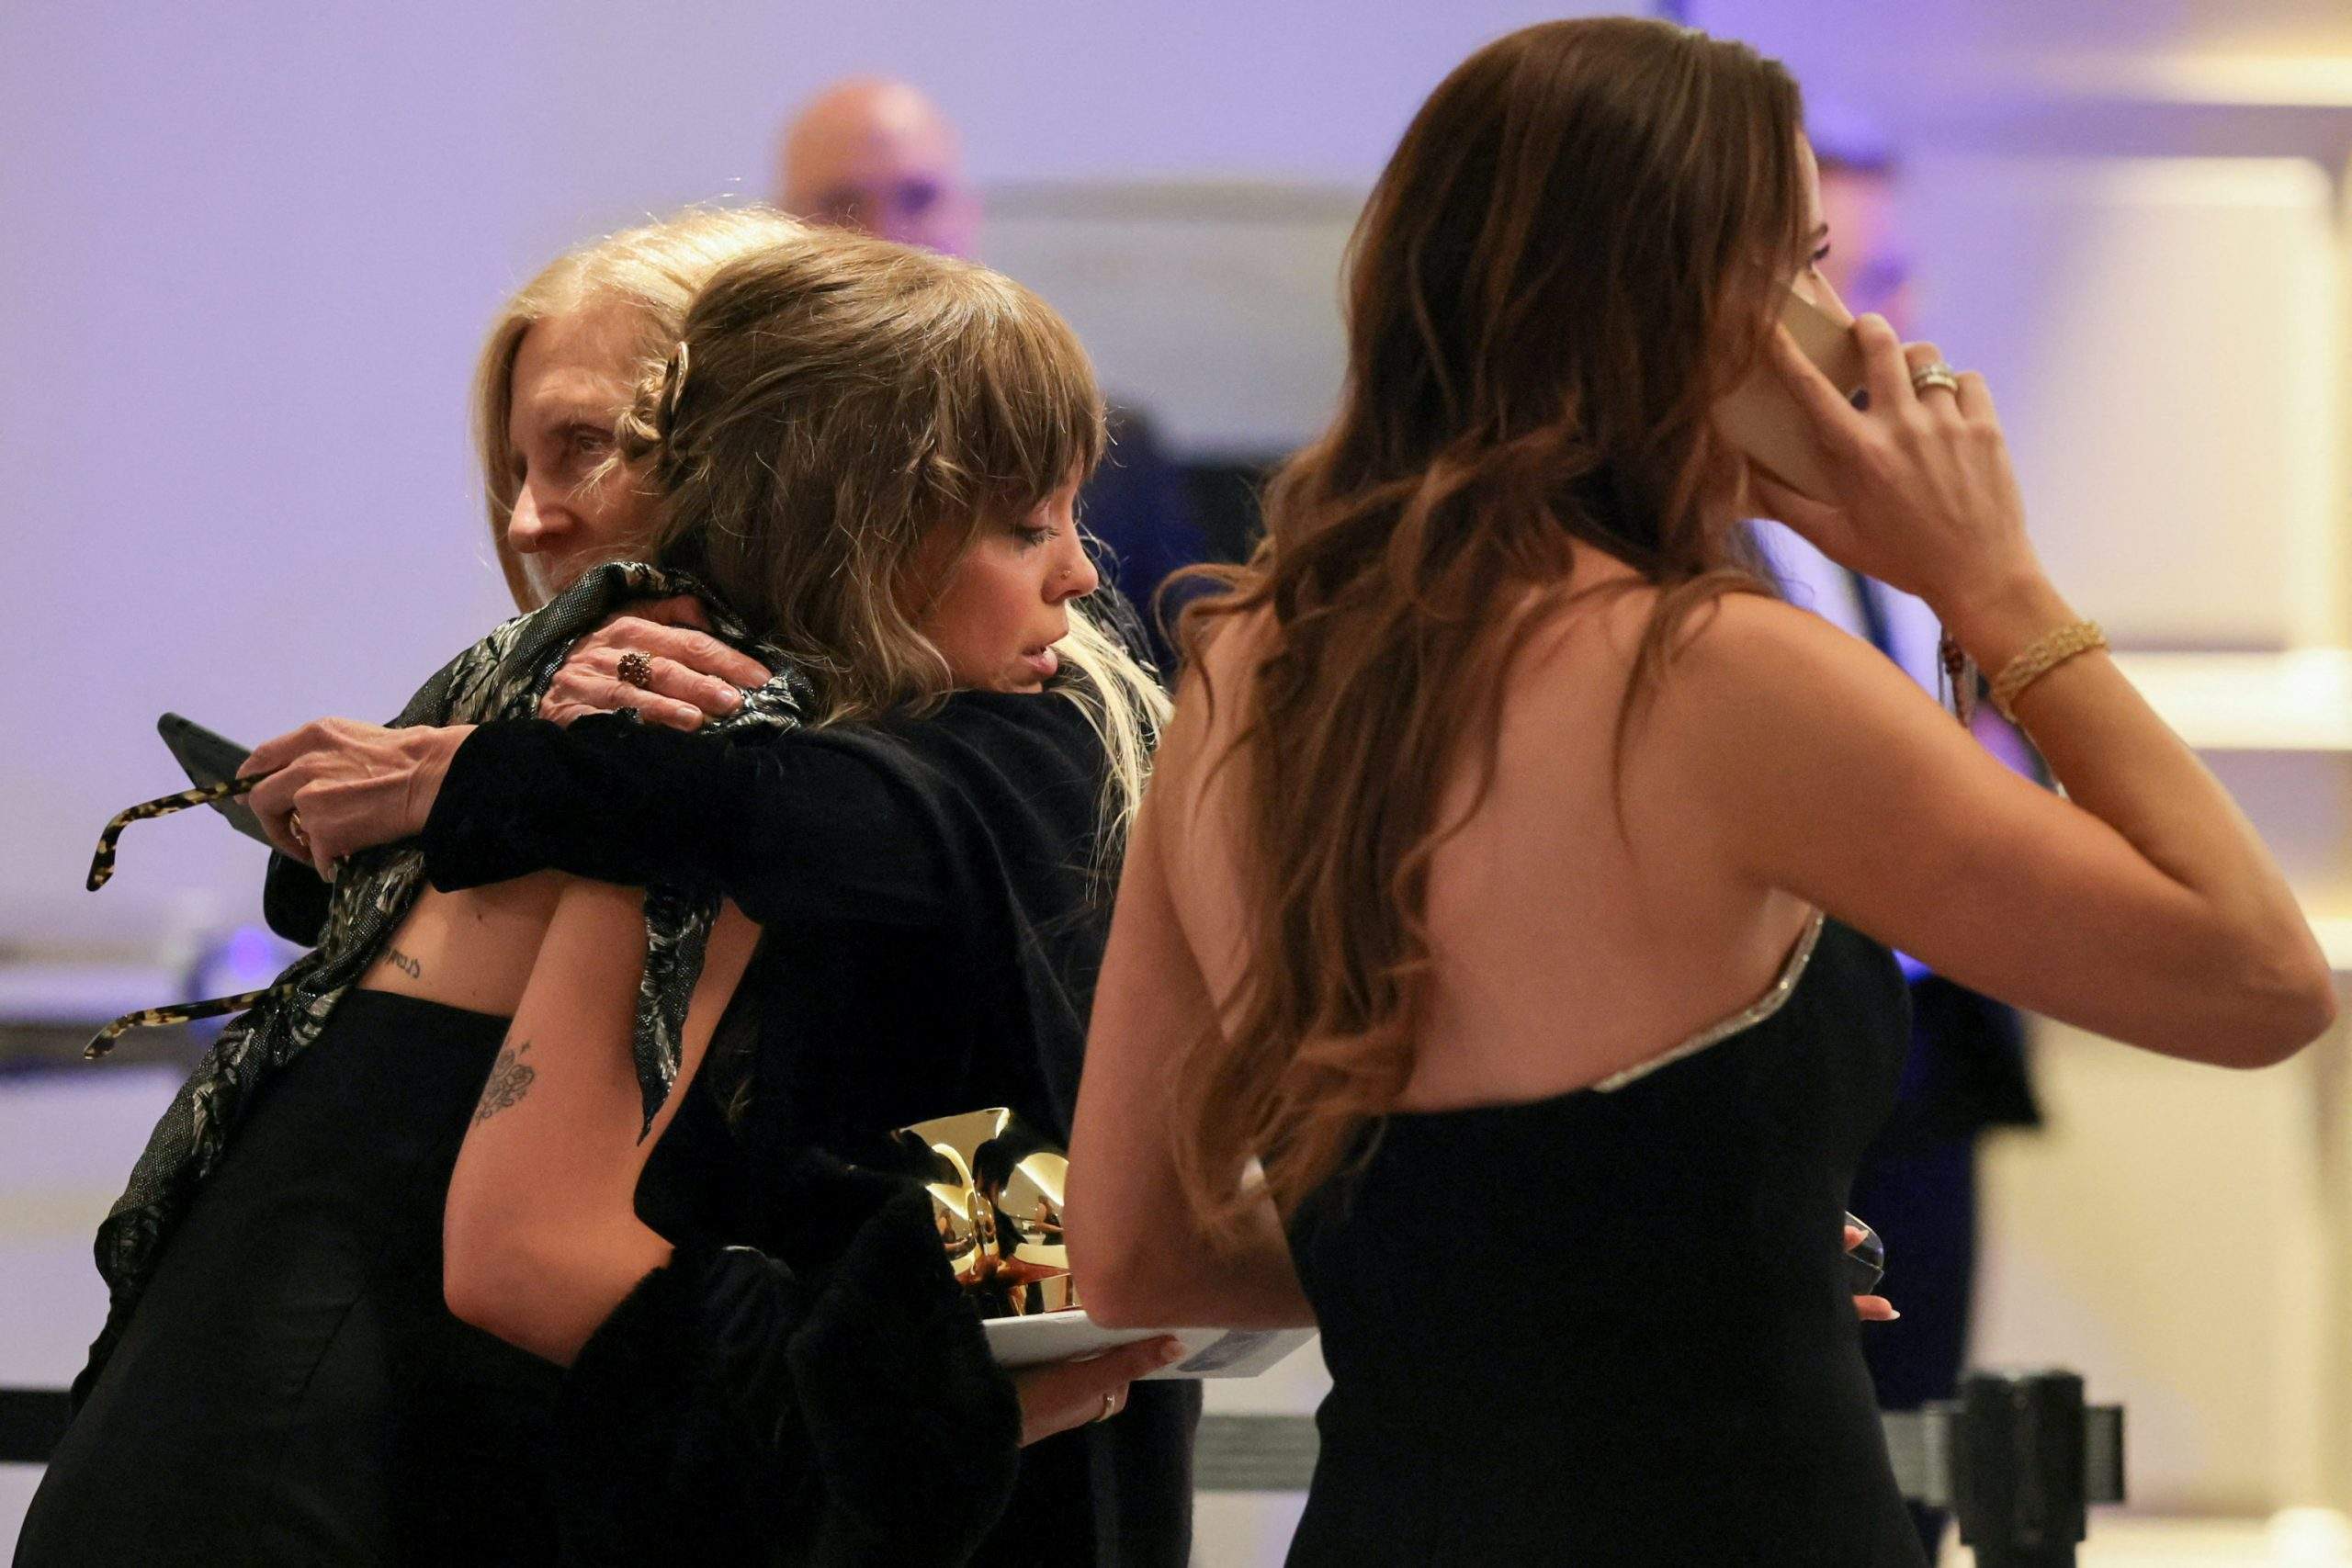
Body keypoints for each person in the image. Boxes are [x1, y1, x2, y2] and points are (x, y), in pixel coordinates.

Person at [1064, 17, 2335, 1565]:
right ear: (1681, 306)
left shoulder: (1248, 666)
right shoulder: (1720, 674)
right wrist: (1994, 587)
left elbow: (1135, 1247)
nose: (1846, 329)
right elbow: (2258, 979)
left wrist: (1556, 1262)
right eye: (1802, 265)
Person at [23, 227, 1179, 1566]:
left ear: (793, 462)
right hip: (306, 1489)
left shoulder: (718, 762)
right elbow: (528, 1247)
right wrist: (944, 1406)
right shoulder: (668, 747)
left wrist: (469, 778)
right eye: (516, 461)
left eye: (595, 445)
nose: (528, 517)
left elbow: (950, 1091)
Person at [1751, 108, 2046, 1558]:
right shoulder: (1683, 537)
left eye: (1891, 279)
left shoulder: (1906, 518)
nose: (1883, 330)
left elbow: (1988, 763)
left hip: (1923, 1039)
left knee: (1914, 1462)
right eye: (1837, 283)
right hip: (1762, 1042)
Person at [777, 76, 1208, 668]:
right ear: (785, 229)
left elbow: (1186, 669)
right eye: (842, 204)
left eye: (918, 197)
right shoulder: (756, 459)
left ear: (967, 216)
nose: (885, 232)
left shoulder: (1114, 450)